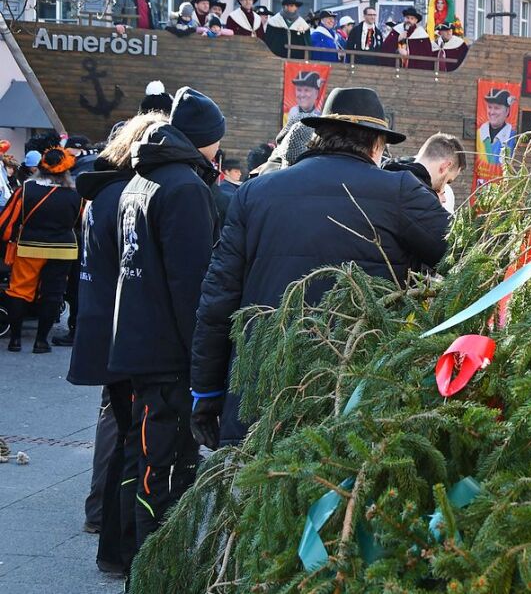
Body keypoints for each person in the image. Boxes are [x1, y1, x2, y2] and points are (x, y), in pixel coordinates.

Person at [189, 87, 452, 449]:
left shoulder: (254, 192)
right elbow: (466, 255)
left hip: (262, 393)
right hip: (355, 392)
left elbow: (218, 300)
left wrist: (206, 389)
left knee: (260, 497)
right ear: (377, 143)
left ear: (321, 134)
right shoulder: (400, 192)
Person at [108, 87, 223, 562]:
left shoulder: (143, 179)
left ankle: (135, 561)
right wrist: (202, 368)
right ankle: (154, 570)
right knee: (166, 475)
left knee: (144, 466)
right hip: (168, 358)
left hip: (137, 346)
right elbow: (192, 287)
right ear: (205, 140)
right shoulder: (185, 188)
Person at [67, 113, 165, 575]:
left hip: (100, 320)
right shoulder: (125, 195)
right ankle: (102, 517)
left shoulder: (102, 194)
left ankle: (100, 516)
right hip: (117, 327)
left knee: (116, 421)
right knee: (122, 428)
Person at [0, 147, 83, 352]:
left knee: (19, 291)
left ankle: (15, 340)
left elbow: (6, 221)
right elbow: (83, 224)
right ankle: (41, 342)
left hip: (29, 247)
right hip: (64, 250)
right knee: (53, 294)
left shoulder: (26, 189)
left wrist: (7, 242)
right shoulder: (77, 195)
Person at [384, 133, 466, 209]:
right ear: (444, 167)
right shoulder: (424, 201)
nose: (444, 196)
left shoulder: (385, 174)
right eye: (448, 181)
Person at [477, 88, 516, 166]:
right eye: (489, 107)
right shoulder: (480, 133)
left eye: (497, 108)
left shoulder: (512, 136)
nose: (492, 112)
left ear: (507, 111)